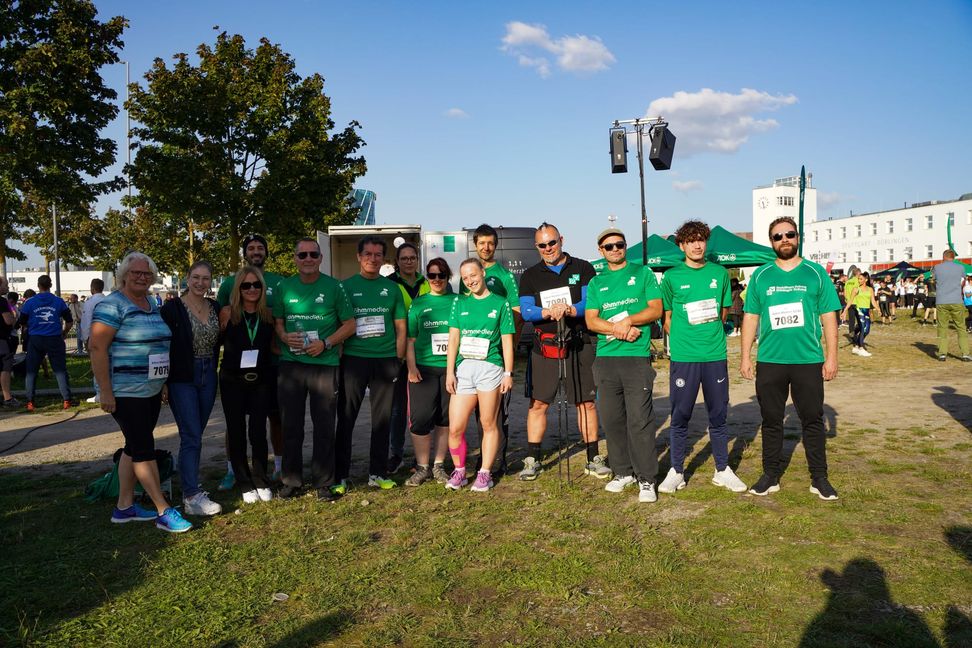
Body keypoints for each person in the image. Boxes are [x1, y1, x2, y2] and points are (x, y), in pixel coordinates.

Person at [89, 252, 192, 532]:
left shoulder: (150, 304)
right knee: (144, 449)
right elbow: (97, 347)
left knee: (133, 447)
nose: (141, 277)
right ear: (124, 274)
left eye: (146, 274)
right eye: (135, 273)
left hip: (150, 389)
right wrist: (105, 392)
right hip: (124, 391)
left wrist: (163, 383)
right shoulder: (112, 305)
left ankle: (124, 507)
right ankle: (164, 510)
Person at [740, 217, 841, 501]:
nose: (784, 239)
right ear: (771, 241)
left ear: (797, 237)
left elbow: (829, 318)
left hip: (808, 360)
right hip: (771, 360)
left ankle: (819, 478)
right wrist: (745, 356)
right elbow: (750, 317)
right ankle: (770, 475)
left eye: (789, 234)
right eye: (777, 236)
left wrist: (831, 357)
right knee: (771, 420)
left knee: (812, 419)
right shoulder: (761, 276)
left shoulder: (815, 273)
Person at [657, 221, 746, 494]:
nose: (697, 245)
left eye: (701, 240)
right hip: (684, 357)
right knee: (680, 414)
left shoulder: (719, 273)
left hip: (714, 354)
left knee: (718, 414)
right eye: (691, 241)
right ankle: (676, 471)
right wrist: (686, 338)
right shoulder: (671, 276)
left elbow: (721, 313)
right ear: (682, 245)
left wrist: (707, 336)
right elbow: (667, 318)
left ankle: (722, 469)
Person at [517, 222, 603, 481]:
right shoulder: (530, 275)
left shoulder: (582, 267)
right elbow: (526, 309)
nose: (548, 248)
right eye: (542, 245)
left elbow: (590, 302)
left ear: (561, 240)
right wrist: (546, 312)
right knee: (538, 403)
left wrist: (569, 310)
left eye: (552, 242)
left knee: (585, 402)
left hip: (579, 343)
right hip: (545, 348)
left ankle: (593, 457)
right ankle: (532, 458)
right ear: (537, 246)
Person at [585, 228, 664, 502]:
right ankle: (623, 472)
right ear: (601, 250)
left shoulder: (642, 274)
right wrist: (618, 329)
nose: (615, 249)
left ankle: (646, 479)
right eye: (609, 246)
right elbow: (591, 321)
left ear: (625, 246)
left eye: (619, 245)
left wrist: (628, 321)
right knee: (613, 420)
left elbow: (656, 309)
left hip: (635, 358)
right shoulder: (597, 282)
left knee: (640, 421)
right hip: (606, 359)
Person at [273, 238, 356, 500]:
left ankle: (323, 481)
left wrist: (327, 343)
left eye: (313, 254)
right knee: (291, 425)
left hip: (324, 364)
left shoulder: (334, 287)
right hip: (292, 365)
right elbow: (278, 323)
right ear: (295, 259)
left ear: (321, 258)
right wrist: (285, 337)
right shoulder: (284, 287)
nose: (308, 259)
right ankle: (291, 480)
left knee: (323, 425)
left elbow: (350, 324)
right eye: (302, 255)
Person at [335, 236, 407, 492]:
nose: (372, 259)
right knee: (346, 418)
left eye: (378, 255)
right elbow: (340, 325)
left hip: (385, 360)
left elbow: (400, 327)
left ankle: (377, 472)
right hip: (354, 360)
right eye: (368, 254)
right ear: (358, 256)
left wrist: (397, 359)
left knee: (382, 419)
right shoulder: (344, 287)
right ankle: (340, 475)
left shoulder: (392, 289)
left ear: (383, 259)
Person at [216, 234, 287, 488]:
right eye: (251, 248)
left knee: (273, 418)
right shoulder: (228, 283)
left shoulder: (280, 281)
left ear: (267, 252)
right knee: (234, 422)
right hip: (236, 370)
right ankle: (232, 470)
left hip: (270, 366)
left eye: (260, 247)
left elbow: (283, 320)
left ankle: (277, 467)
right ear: (244, 253)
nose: (256, 251)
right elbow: (223, 317)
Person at [444, 258, 515, 492]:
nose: (470, 281)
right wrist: (450, 372)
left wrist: (508, 372)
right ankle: (460, 470)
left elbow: (507, 341)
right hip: (464, 369)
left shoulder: (501, 303)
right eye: (465, 278)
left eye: (473, 275)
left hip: (490, 368)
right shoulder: (459, 303)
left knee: (488, 423)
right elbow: (453, 338)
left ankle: (485, 473)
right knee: (455, 427)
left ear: (483, 273)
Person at [160, 261, 223, 516]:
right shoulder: (172, 308)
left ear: (211, 281)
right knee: (191, 434)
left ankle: (191, 486)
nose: (200, 283)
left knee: (196, 433)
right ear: (187, 278)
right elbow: (162, 346)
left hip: (209, 374)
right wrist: (163, 381)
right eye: (195, 277)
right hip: (182, 375)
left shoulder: (215, 307)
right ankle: (191, 494)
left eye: (205, 278)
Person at [465, 224, 522, 476]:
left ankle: (499, 461)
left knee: (498, 413)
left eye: (490, 243)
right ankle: (483, 459)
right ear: (475, 245)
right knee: (480, 414)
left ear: (495, 245)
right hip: (471, 357)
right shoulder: (469, 274)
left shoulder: (505, 276)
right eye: (481, 243)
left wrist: (509, 346)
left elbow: (516, 313)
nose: (486, 247)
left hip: (495, 357)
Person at [219, 266, 277, 504]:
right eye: (246, 285)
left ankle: (261, 478)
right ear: (238, 289)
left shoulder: (268, 315)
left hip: (261, 379)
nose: (252, 289)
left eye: (256, 285)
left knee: (258, 432)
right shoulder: (227, 313)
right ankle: (244, 482)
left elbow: (274, 347)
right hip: (232, 379)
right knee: (236, 431)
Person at [404, 258, 456, 486]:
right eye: (432, 275)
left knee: (445, 419)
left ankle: (438, 465)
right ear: (427, 277)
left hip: (450, 370)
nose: (437, 280)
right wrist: (411, 367)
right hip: (423, 369)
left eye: (441, 275)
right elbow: (410, 339)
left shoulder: (458, 301)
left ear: (448, 277)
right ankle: (422, 466)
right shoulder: (418, 304)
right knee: (420, 419)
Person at [387, 242, 430, 473]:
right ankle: (396, 454)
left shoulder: (428, 282)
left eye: (412, 257)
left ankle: (420, 458)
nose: (409, 261)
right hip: (397, 355)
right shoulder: (390, 284)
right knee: (396, 409)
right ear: (397, 261)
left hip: (424, 355)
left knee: (419, 410)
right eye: (404, 258)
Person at [18, 274, 73, 411]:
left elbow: (22, 322)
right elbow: (70, 321)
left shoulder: (30, 302)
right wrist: (64, 332)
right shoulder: (59, 301)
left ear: (38, 286)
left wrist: (30, 328)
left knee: (31, 371)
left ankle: (30, 401)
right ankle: (66, 400)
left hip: (35, 339)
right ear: (51, 285)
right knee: (59, 370)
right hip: (54, 338)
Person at [932, 249, 971, 361]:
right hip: (956, 300)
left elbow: (933, 280)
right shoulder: (960, 267)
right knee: (961, 327)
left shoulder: (937, 267)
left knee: (942, 327)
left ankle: (942, 353)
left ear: (943, 257)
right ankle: (965, 354)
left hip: (942, 301)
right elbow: (964, 279)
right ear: (953, 257)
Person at [80, 278, 107, 403]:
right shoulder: (108, 300)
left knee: (96, 364)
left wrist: (85, 338)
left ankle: (99, 392)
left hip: (95, 336)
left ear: (92, 288)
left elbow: (86, 322)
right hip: (110, 336)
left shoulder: (90, 302)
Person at [843, 272, 878, 357]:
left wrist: (878, 309)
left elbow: (873, 301)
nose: (859, 280)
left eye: (861, 279)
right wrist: (844, 311)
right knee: (863, 328)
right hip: (859, 310)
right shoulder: (856, 289)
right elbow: (850, 301)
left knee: (867, 330)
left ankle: (855, 336)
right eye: (858, 278)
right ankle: (861, 348)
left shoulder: (870, 289)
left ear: (866, 280)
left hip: (866, 310)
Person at [0, 276, 17, 408]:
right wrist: (13, 317)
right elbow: (8, 320)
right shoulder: (2, 301)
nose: (7, 287)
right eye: (5, 285)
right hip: (2, 340)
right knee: (5, 367)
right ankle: (7, 397)